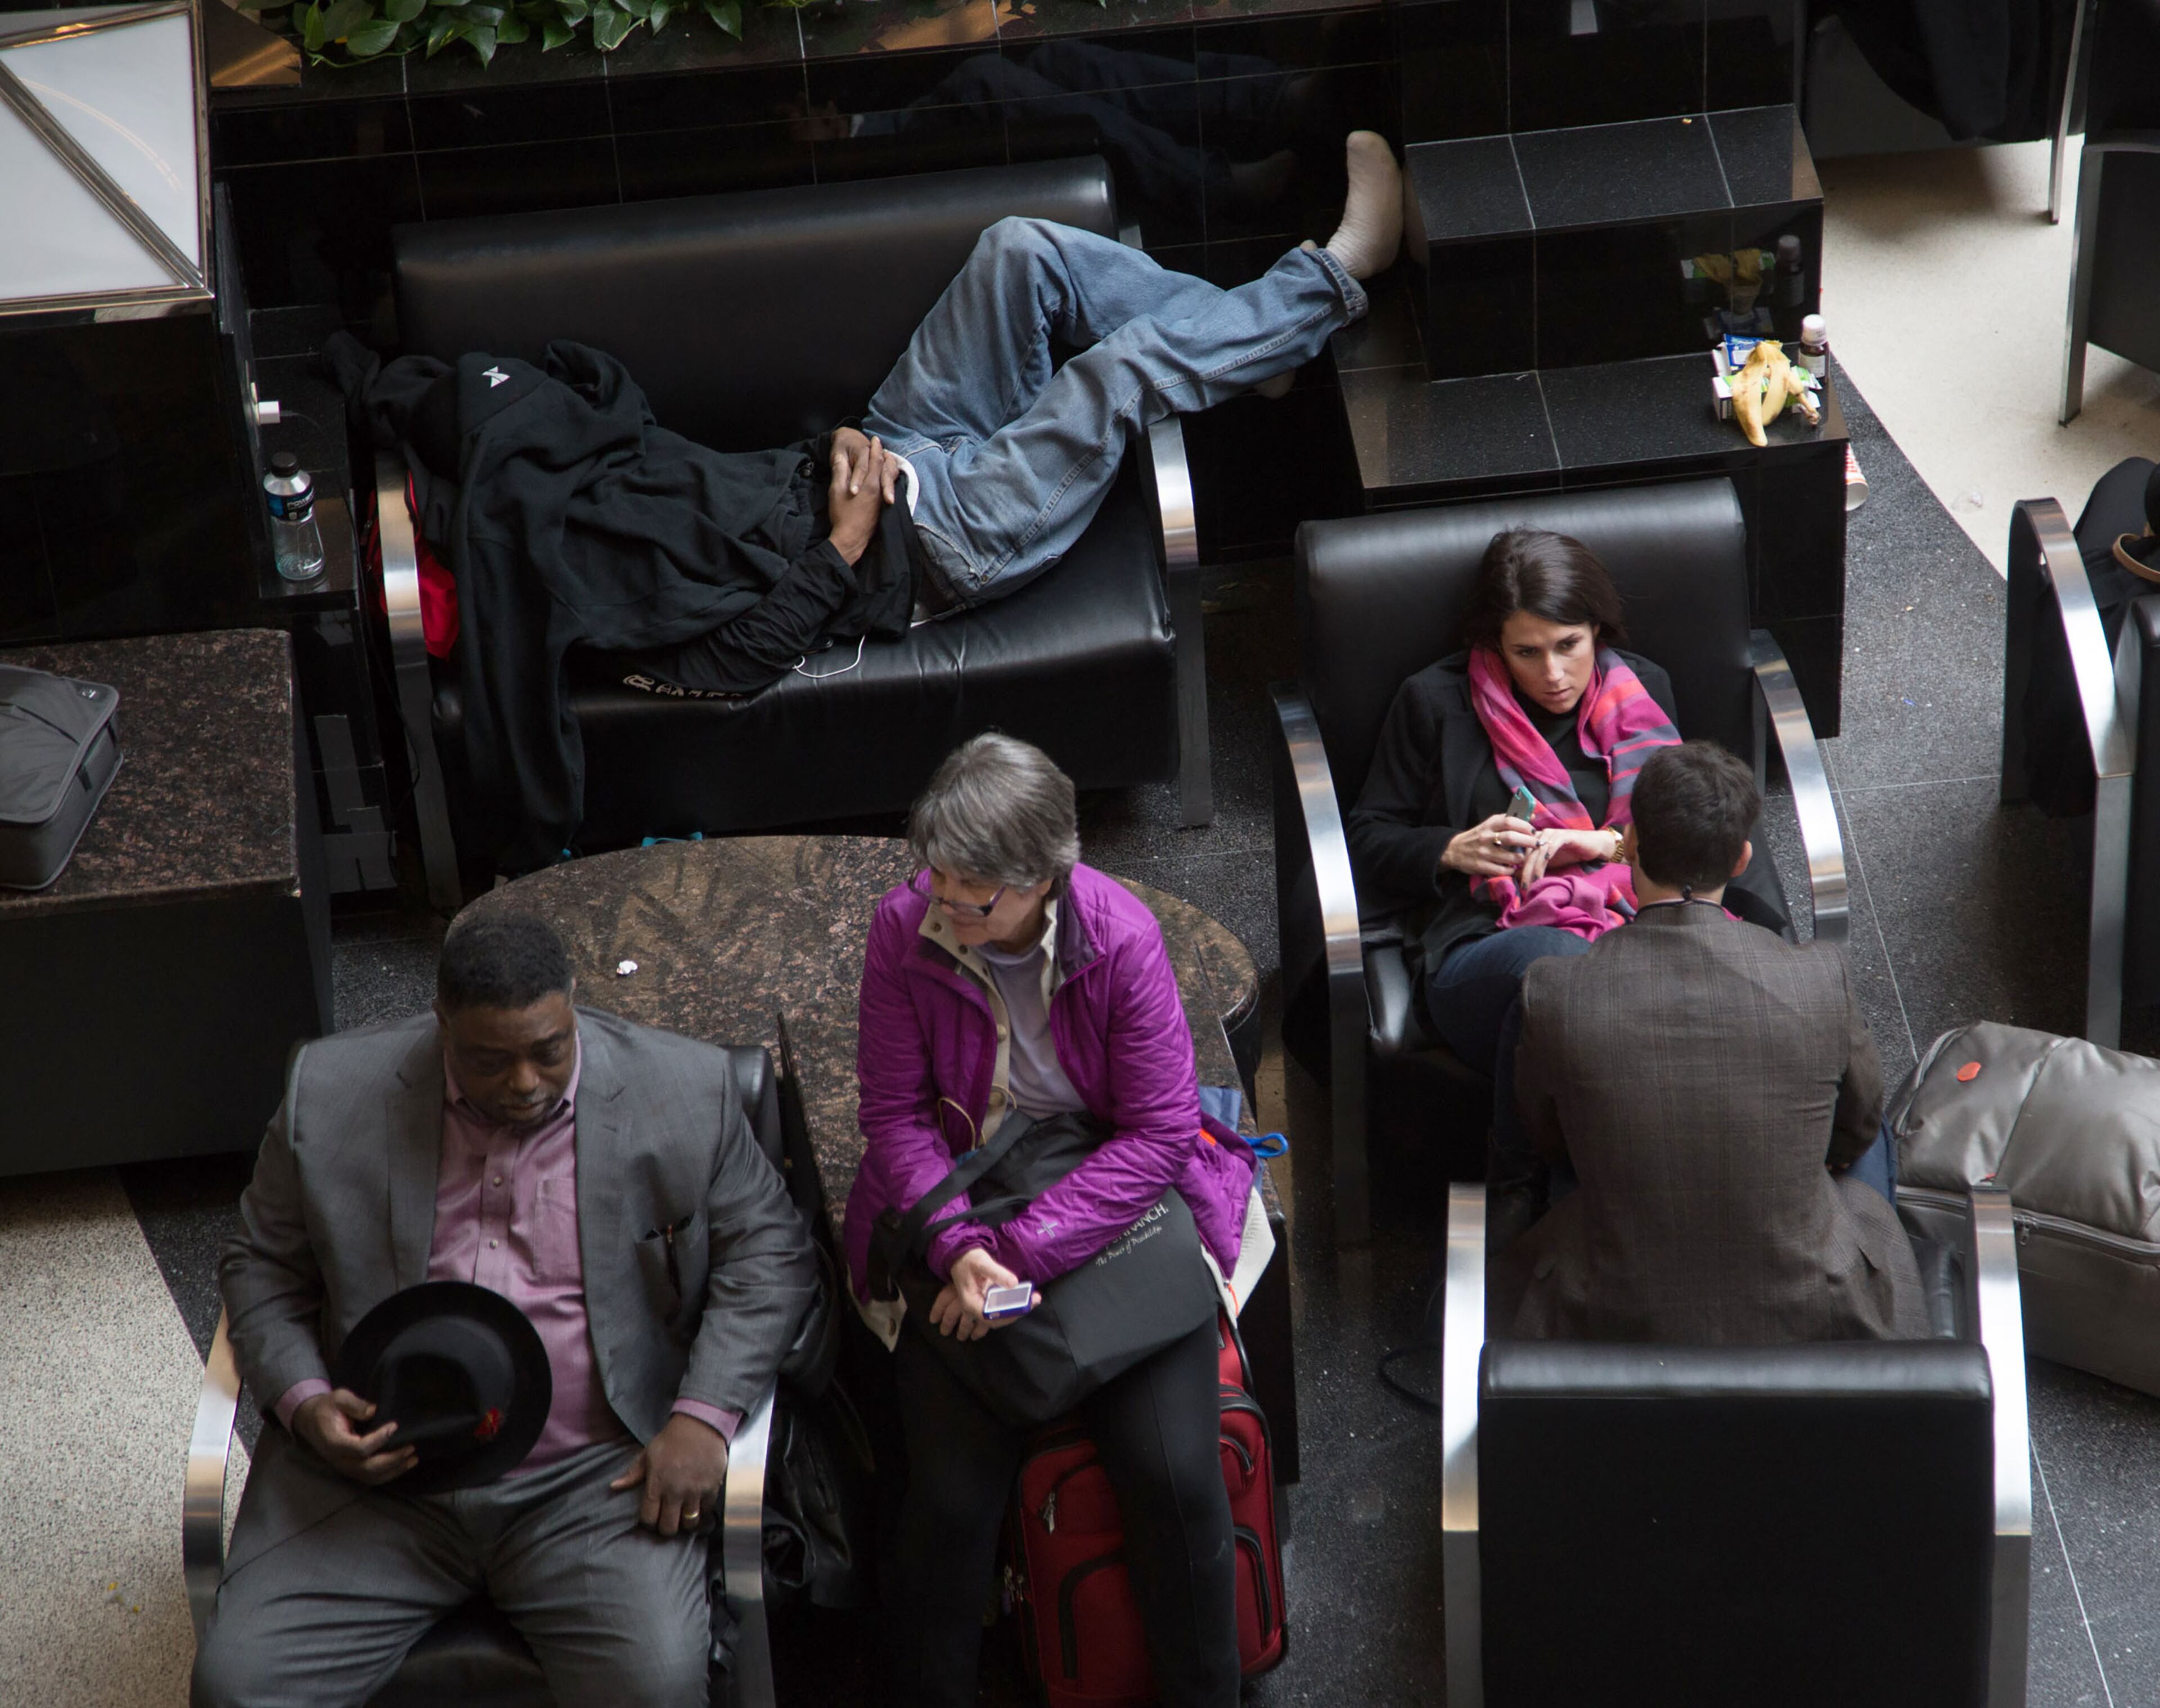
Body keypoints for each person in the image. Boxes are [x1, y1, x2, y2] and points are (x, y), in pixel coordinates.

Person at [339, 133, 1403, 870]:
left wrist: (831, 452)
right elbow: (737, 666)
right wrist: (846, 543)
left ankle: (1257, 350)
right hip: (942, 544)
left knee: (1019, 254)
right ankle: (1327, 286)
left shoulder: (578, 486)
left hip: (888, 450)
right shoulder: (578, 609)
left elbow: (701, 471)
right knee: (1113, 378)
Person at [194, 910, 820, 1708]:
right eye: (489, 1061)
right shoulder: (329, 1092)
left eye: (548, 1050)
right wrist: (305, 1403)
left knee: (654, 1688)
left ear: (572, 1005)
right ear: (441, 1025)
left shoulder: (684, 1089)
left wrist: (702, 1416)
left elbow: (769, 1255)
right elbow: (262, 1265)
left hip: (597, 1480)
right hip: (380, 1481)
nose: (524, 1083)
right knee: (236, 1686)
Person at [844, 733, 1262, 1708]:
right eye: (937, 877)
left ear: (1043, 880)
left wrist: (1017, 1256)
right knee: (946, 1506)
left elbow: (1158, 1132)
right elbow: (894, 1118)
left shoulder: (1120, 937)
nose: (943, 904)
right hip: (965, 1193)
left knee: (1176, 1479)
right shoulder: (900, 929)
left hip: (1100, 1194)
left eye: (973, 892)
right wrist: (956, 1249)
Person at [1503, 741, 1928, 1344]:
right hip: (1819, 1306)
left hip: (1611, 1309)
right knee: (1870, 1119)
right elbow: (1854, 1131)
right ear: (1741, 860)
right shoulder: (1818, 976)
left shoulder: (1554, 990)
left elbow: (1550, 1140)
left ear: (1631, 846)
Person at [1344, 528, 1688, 1198]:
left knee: (1591, 1022)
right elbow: (1367, 836)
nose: (1552, 674)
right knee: (1564, 979)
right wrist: (1449, 849)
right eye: (1526, 653)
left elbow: (1690, 834)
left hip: (1632, 932)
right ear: (1494, 646)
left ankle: (1544, 1194)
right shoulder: (1436, 701)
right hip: (1485, 944)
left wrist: (1607, 845)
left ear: (1597, 631)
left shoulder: (1644, 692)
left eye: (1569, 646)